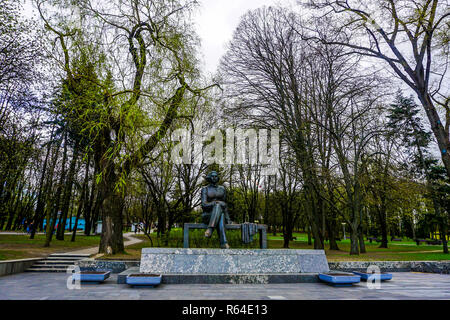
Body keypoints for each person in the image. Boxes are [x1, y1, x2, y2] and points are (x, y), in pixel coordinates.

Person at [201, 171, 232, 249]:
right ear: (209, 178)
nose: (214, 178)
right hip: (207, 215)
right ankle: (223, 242)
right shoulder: (205, 189)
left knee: (221, 213)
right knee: (218, 207)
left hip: (220, 214)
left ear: (218, 178)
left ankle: (210, 230)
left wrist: (228, 219)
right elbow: (204, 205)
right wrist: (215, 203)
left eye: (216, 176)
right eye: (212, 176)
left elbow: (224, 204)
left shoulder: (222, 189)